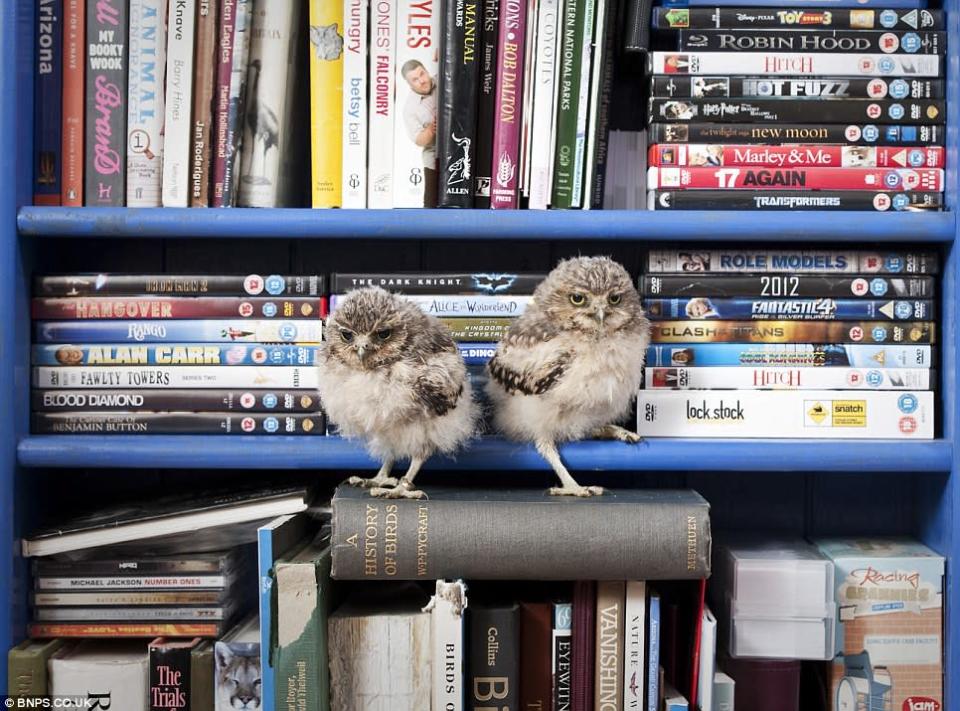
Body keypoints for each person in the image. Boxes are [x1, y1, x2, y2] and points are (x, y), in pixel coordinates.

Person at [400, 59, 438, 207]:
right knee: (431, 203)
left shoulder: (444, 79)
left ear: (426, 71)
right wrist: (431, 129)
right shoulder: (409, 109)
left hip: (461, 148)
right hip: (434, 160)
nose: (422, 81)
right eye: (415, 80)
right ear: (409, 85)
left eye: (422, 74)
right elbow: (418, 140)